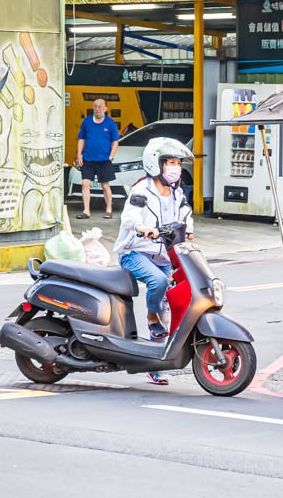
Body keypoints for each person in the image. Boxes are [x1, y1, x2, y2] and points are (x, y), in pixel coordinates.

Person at [112, 137, 194, 386]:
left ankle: (155, 365)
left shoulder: (177, 192)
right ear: (155, 163)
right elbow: (129, 217)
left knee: (173, 302)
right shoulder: (141, 190)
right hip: (134, 252)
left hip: (164, 255)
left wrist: (189, 233)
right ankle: (150, 316)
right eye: (170, 162)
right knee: (158, 282)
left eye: (178, 163)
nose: (175, 167)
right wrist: (142, 227)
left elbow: (186, 216)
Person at [75, 98, 120, 219]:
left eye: (100, 106)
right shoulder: (87, 122)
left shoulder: (110, 123)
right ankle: (86, 211)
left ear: (105, 108)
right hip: (88, 159)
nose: (97, 108)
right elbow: (81, 139)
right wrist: (79, 154)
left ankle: (109, 210)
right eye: (95, 106)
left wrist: (111, 156)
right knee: (85, 184)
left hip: (104, 160)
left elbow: (115, 141)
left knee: (105, 185)